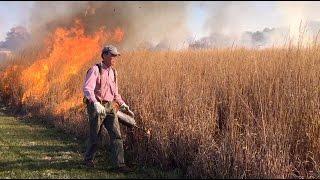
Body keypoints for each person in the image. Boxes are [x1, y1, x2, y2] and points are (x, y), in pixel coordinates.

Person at [83, 45, 133, 173]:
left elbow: (115, 93)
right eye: (112, 55)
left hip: (110, 107)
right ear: (104, 55)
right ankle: (88, 160)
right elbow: (88, 89)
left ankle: (120, 165)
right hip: (97, 106)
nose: (115, 58)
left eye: (116, 56)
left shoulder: (114, 72)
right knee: (95, 136)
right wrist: (95, 103)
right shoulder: (95, 69)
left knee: (116, 135)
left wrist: (122, 104)